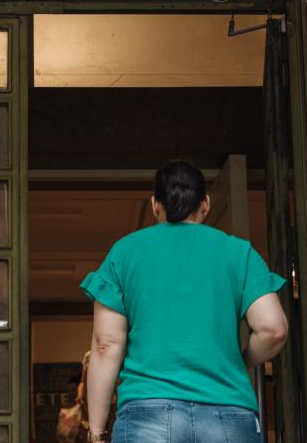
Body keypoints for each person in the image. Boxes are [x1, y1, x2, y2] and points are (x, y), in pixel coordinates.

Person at [79, 160, 289, 443]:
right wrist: (242, 361)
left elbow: (106, 346)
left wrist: (96, 433)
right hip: (228, 412)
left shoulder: (124, 252)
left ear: (155, 205)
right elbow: (274, 329)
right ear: (206, 204)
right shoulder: (239, 253)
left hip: (148, 413)